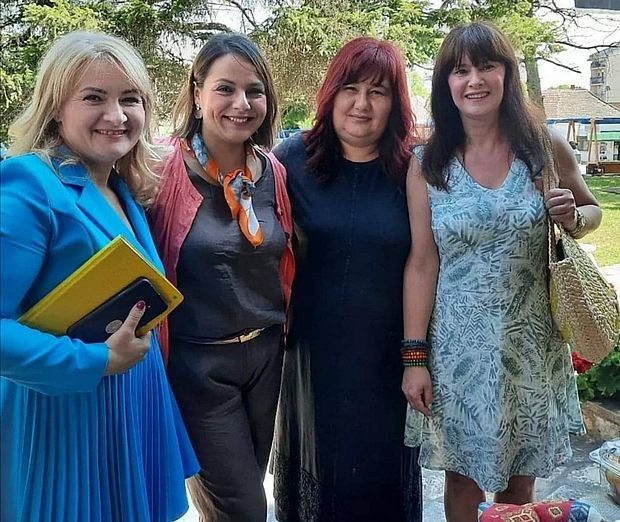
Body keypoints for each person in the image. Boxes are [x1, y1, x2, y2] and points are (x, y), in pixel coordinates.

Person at [401, 22, 602, 522]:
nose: (474, 80)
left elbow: (592, 211)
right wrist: (414, 357)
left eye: (487, 66)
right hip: (457, 352)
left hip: (530, 346)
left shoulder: (544, 148)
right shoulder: (428, 164)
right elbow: (422, 262)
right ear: (446, 84)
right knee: (461, 479)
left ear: (507, 74)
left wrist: (575, 217)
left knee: (519, 481)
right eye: (460, 70)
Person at [0, 31, 198, 521]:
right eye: (94, 98)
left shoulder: (122, 187)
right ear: (55, 108)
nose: (117, 115)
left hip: (132, 404)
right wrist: (96, 361)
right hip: (65, 419)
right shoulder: (31, 184)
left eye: (130, 99)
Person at [271, 37, 422, 522]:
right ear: (330, 94)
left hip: (387, 355)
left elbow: (430, 259)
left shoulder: (413, 169)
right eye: (350, 88)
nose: (361, 104)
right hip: (312, 354)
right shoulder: (290, 161)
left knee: (380, 479)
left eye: (378, 92)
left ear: (394, 104)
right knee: (319, 476)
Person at [147, 33, 294, 522]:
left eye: (254, 91)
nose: (241, 104)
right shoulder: (159, 169)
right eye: (225, 89)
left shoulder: (272, 171)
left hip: (266, 360)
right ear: (197, 94)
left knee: (239, 496)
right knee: (246, 508)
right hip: (199, 367)